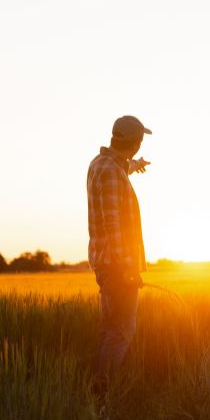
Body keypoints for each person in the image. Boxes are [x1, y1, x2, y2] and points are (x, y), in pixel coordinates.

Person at [87, 115, 152, 376]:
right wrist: (128, 268)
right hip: (117, 266)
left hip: (106, 263)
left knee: (109, 331)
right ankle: (103, 393)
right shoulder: (112, 172)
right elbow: (113, 224)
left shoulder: (101, 164)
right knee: (122, 333)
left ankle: (96, 395)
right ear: (135, 143)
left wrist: (135, 165)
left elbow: (118, 170)